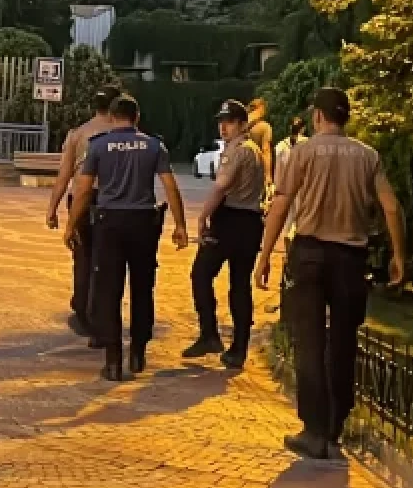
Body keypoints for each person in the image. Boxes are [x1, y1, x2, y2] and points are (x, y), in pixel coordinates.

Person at [254, 88, 406, 460]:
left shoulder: (302, 152)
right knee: (342, 340)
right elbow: (391, 206)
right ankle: (336, 423)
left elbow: (280, 205)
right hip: (350, 257)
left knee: (308, 340)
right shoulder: (367, 156)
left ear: (318, 116)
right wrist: (399, 254)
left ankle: (314, 428)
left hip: (309, 253)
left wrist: (265, 255)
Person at [64, 95, 189, 381]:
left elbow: (83, 190)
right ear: (137, 116)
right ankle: (138, 352)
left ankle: (113, 361)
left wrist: (71, 225)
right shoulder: (154, 145)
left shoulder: (98, 145)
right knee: (142, 288)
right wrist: (180, 225)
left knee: (109, 291)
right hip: (143, 223)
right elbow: (170, 186)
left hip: (109, 224)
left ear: (110, 117)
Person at [182, 100, 267, 368]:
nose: (223, 127)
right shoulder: (254, 150)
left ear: (242, 124)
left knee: (201, 273)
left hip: (230, 219)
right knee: (239, 285)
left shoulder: (237, 150)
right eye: (221, 121)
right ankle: (238, 347)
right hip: (251, 222)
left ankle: (210, 334)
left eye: (229, 122)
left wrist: (203, 216)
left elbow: (220, 187)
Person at [45, 84, 123, 340]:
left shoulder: (77, 134)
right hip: (113, 203)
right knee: (108, 261)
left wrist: (53, 209)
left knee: (83, 257)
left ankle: (82, 310)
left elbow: (64, 175)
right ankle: (101, 315)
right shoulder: (123, 134)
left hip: (80, 200)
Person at [273, 116, 308, 251]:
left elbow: (278, 170)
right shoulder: (307, 144)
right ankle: (294, 236)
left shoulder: (281, 146)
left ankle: (288, 235)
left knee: (288, 215)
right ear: (303, 128)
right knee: (300, 214)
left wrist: (277, 187)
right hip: (301, 187)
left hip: (285, 188)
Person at [246, 98, 274, 186]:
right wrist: (268, 175)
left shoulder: (239, 124)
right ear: (261, 108)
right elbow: (266, 151)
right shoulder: (264, 127)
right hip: (256, 169)